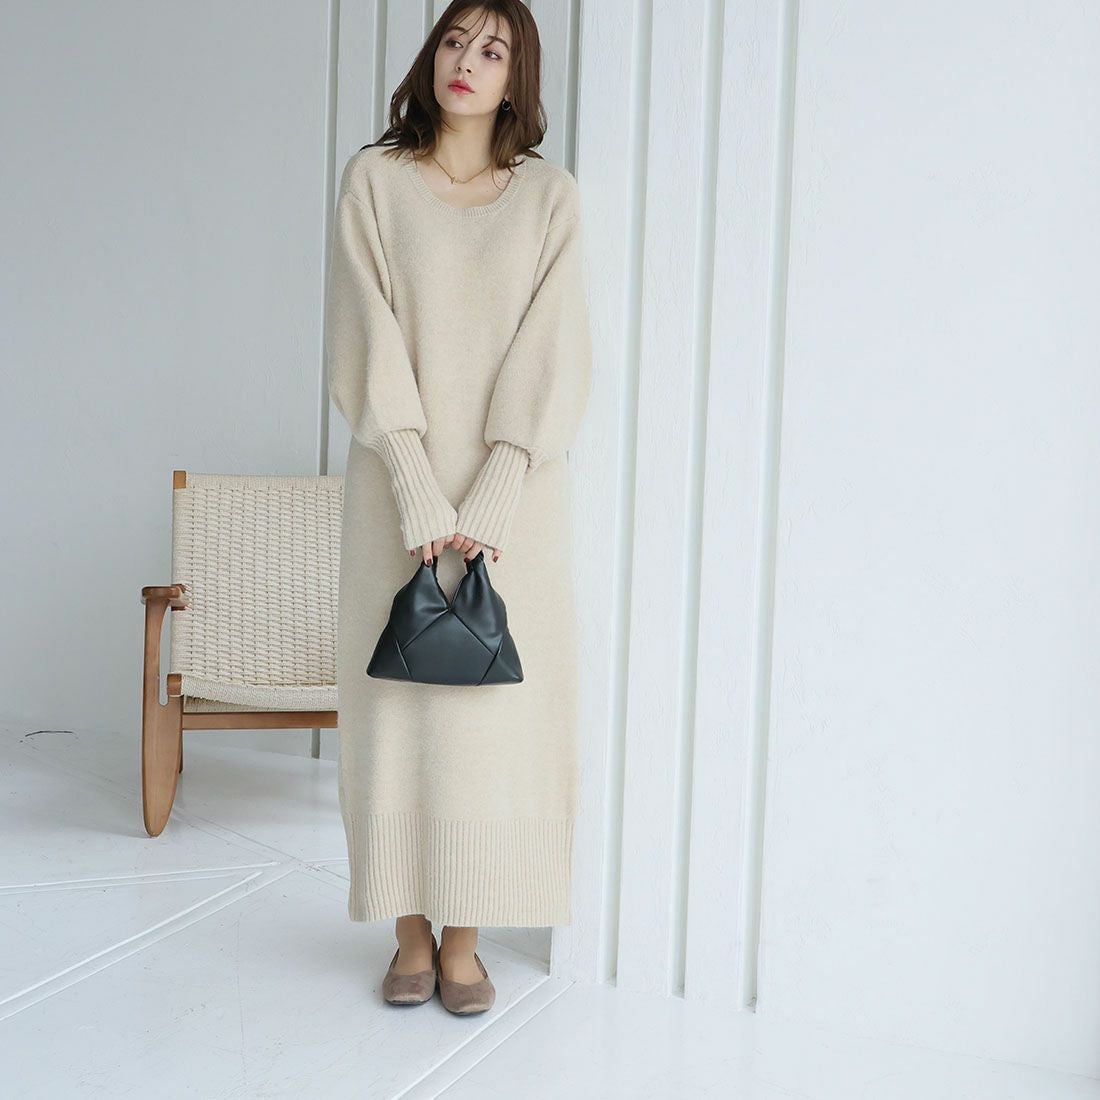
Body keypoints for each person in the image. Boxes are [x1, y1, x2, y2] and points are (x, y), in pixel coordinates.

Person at [324, 0, 593, 1015]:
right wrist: (412, 478)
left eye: (492, 49)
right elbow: (364, 331)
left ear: (518, 75)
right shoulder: (375, 181)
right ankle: (407, 929)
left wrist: (496, 486)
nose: (466, 62)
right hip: (393, 490)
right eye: (452, 40)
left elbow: (554, 348)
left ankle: (467, 934)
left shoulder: (549, 198)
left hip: (512, 506)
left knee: (490, 720)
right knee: (396, 709)